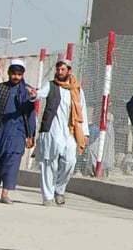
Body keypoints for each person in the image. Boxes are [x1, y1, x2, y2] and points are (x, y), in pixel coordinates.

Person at [30, 58, 89, 207]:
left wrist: (85, 133)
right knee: (49, 163)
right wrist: (33, 94)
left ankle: (59, 190)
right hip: (52, 130)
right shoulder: (50, 86)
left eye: (63, 69)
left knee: (70, 161)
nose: (59, 72)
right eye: (58, 69)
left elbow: (82, 111)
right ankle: (47, 196)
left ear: (69, 71)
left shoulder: (77, 90)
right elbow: (39, 94)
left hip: (69, 131)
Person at [0, 59, 36, 204]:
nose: (16, 77)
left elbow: (31, 114)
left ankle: (5, 193)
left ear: (22, 75)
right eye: (14, 74)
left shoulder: (27, 91)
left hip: (18, 132)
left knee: (12, 161)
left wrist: (30, 135)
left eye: (19, 74)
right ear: (9, 73)